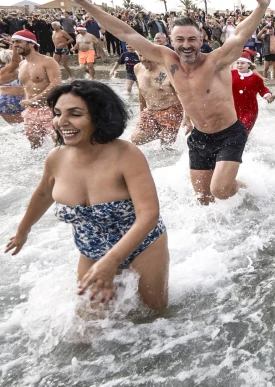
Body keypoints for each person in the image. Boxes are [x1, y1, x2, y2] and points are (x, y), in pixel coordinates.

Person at [56, 0, 275, 205]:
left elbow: (240, 34)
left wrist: (261, 7)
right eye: (180, 39)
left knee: (220, 190)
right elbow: (123, 31)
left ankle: (247, 191)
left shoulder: (216, 61)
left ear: (201, 40)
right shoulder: (167, 59)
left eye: (192, 39)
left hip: (229, 134)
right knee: (203, 198)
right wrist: (81, 1)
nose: (187, 45)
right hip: (200, 136)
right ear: (172, 41)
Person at [5, 81, 169, 310]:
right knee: (85, 332)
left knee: (154, 316)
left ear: (98, 116)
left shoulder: (126, 155)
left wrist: (111, 261)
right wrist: (23, 231)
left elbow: (149, 214)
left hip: (142, 246)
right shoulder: (56, 158)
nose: (62, 122)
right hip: (91, 250)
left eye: (75, 114)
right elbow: (44, 193)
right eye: (57, 113)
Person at [13, 30, 62, 148]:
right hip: (30, 112)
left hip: (50, 109)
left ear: (32, 43)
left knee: (60, 143)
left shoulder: (48, 61)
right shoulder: (22, 64)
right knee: (34, 146)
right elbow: (26, 87)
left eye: (19, 41)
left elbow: (56, 84)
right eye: (14, 42)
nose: (15, 45)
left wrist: (34, 99)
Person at [132, 52, 183, 146]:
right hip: (151, 110)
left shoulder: (168, 69)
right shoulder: (137, 68)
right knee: (136, 139)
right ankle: (161, 133)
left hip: (172, 110)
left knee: (166, 147)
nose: (143, 59)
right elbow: (141, 91)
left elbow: (181, 93)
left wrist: (187, 116)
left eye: (146, 56)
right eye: (140, 55)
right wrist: (142, 112)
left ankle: (166, 134)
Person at [232, 51, 271, 133]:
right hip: (234, 109)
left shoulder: (255, 78)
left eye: (242, 63)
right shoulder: (232, 74)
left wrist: (267, 96)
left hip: (250, 110)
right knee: (235, 133)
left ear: (249, 64)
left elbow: (262, 89)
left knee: (243, 131)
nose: (239, 65)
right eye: (238, 63)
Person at [0, 45, 24, 124]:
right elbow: (16, 61)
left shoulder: (2, 73)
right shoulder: (23, 70)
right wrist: (15, 44)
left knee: (15, 127)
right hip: (20, 100)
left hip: (5, 100)